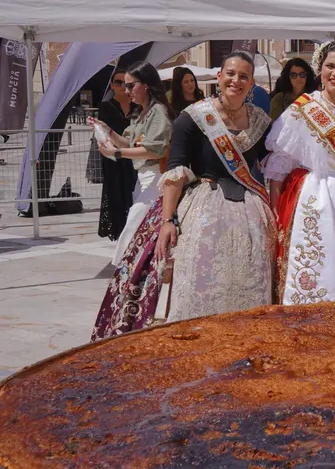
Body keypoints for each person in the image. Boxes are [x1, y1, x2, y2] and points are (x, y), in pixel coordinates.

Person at [91, 51, 272, 339]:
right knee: (201, 277)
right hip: (204, 205)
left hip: (249, 210)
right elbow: (175, 170)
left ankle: (245, 336)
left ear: (251, 84)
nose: (236, 80)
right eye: (230, 74)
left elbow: (272, 163)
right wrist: (167, 220)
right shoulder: (194, 117)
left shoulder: (261, 121)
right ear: (219, 76)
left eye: (243, 76)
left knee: (250, 276)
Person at [266, 41, 335, 305]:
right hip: (313, 203)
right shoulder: (301, 110)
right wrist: (274, 213)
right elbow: (279, 166)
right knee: (314, 275)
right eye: (330, 66)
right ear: (320, 69)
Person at [89, 62, 174, 267]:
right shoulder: (143, 112)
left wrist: (117, 152)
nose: (126, 91)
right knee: (140, 227)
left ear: (146, 85)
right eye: (124, 86)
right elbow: (130, 143)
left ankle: (124, 270)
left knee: (134, 224)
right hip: (144, 178)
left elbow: (155, 149)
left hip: (156, 178)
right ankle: (135, 271)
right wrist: (108, 132)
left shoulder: (158, 112)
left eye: (130, 85)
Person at [96, 68, 137, 242]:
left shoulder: (138, 105)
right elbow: (103, 132)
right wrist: (112, 151)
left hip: (134, 154)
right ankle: (118, 229)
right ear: (112, 85)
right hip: (113, 157)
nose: (122, 86)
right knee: (116, 190)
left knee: (133, 189)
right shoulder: (106, 106)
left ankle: (133, 227)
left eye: (126, 83)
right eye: (118, 82)